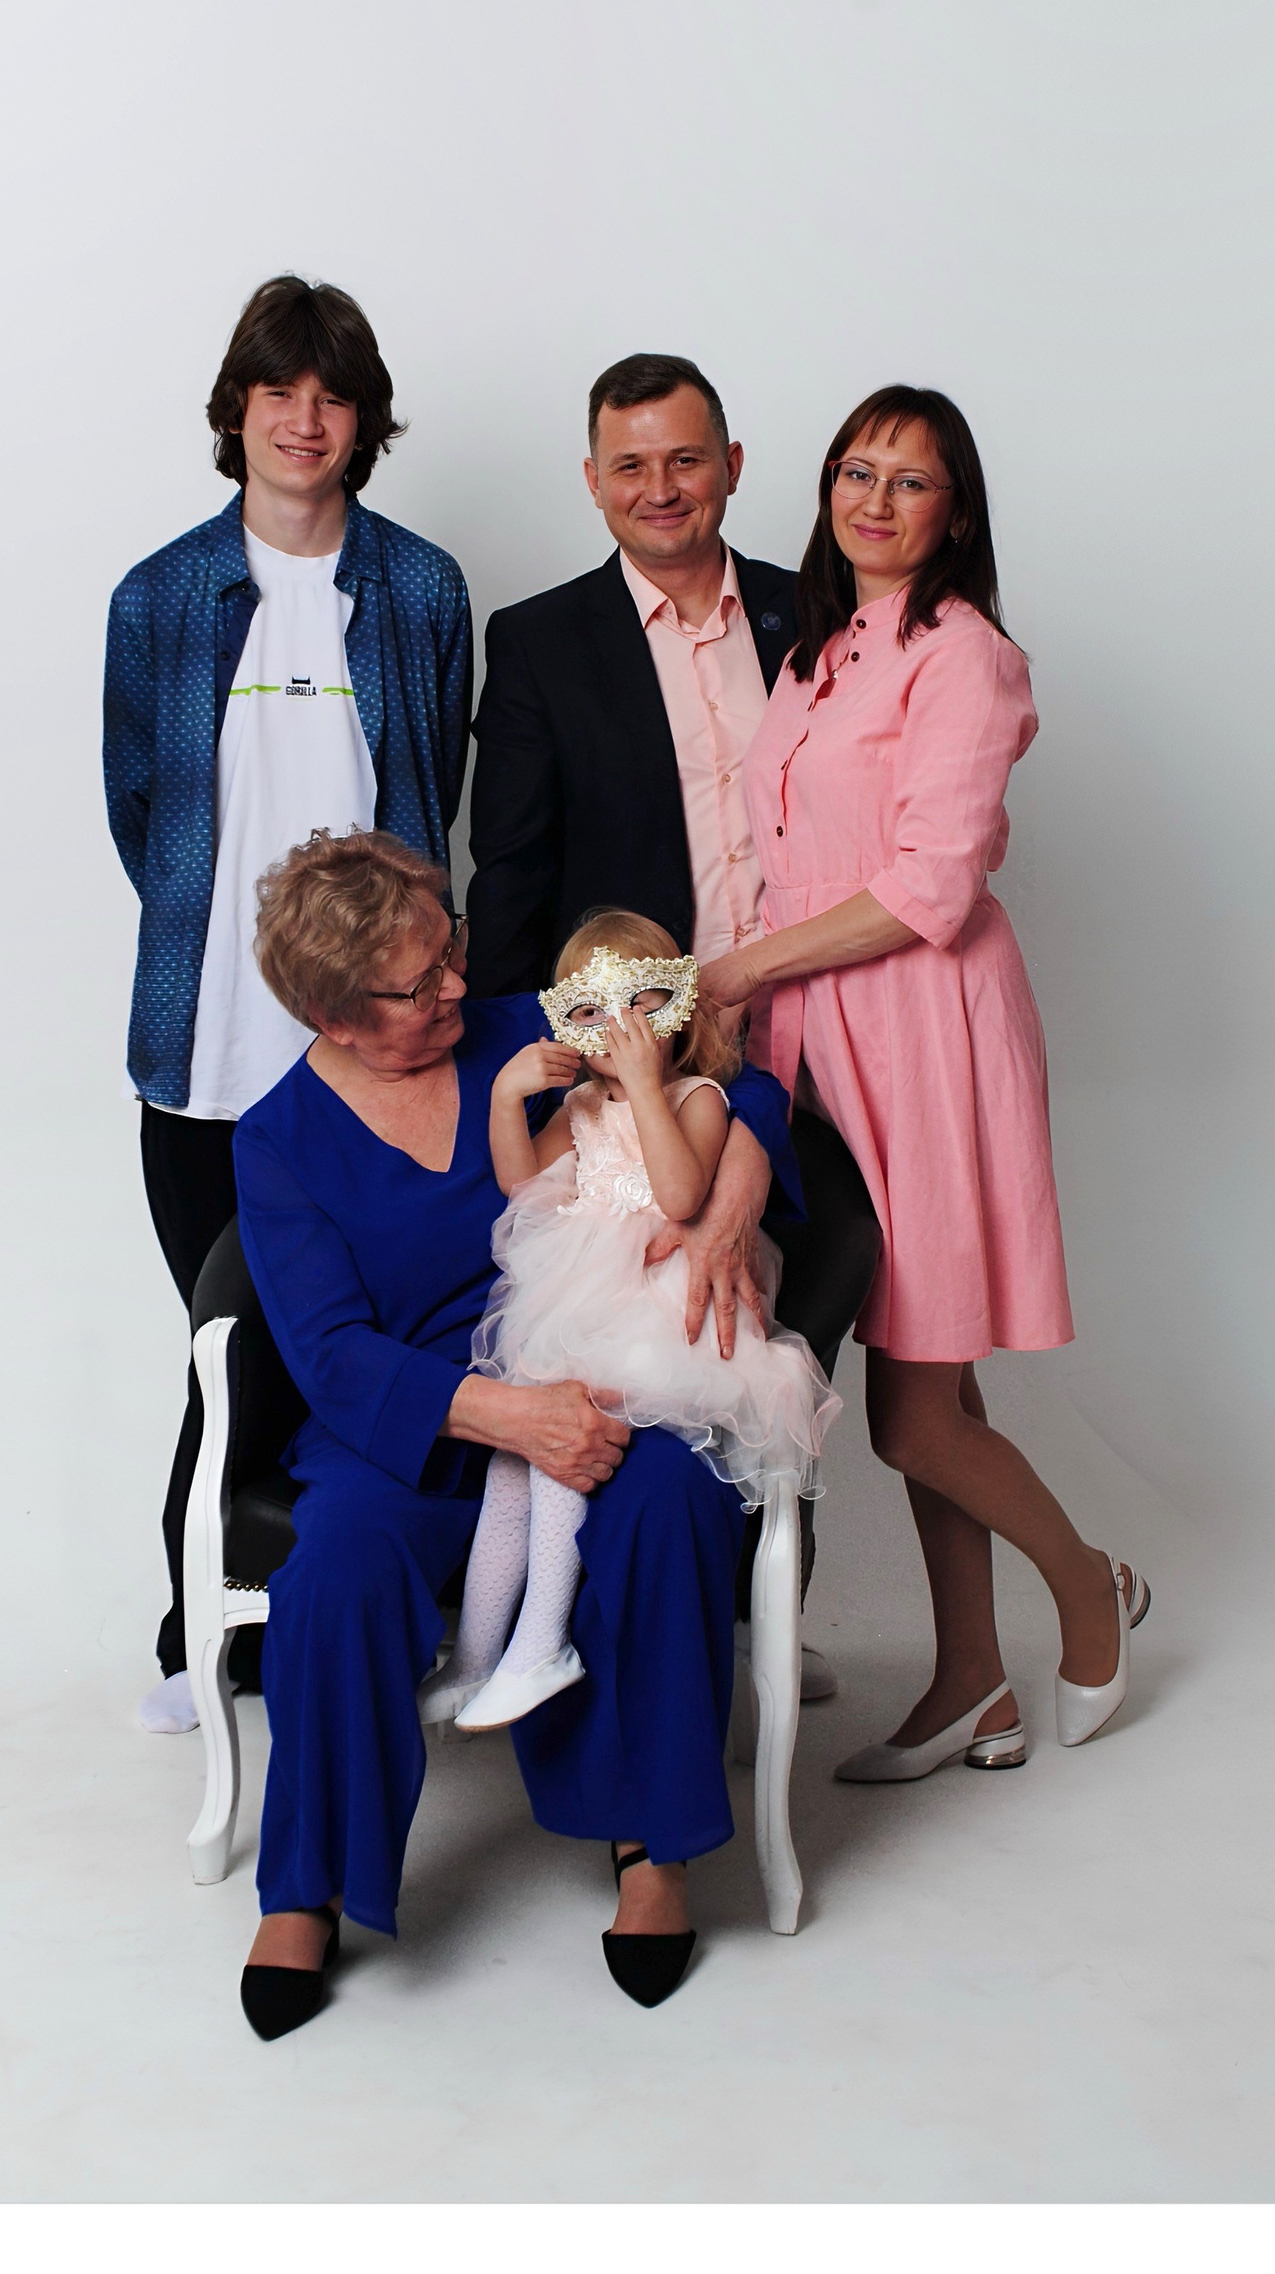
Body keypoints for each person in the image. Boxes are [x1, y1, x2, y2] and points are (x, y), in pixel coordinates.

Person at [231, 831, 809, 2037]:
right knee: (336, 1565)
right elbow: (329, 1350)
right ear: (335, 1016)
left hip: (596, 1366)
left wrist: (740, 1181)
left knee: (670, 1497)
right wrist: (512, 1416)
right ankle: (306, 1883)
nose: (457, 982)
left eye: (450, 952)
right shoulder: (277, 1139)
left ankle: (651, 1843)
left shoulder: (521, 1030)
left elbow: (722, 1072)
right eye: (418, 982)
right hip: (412, 1414)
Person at [702, 388, 1149, 1780]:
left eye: (912, 480)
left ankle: (1089, 1583)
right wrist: (742, 1000)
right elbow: (787, 853)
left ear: (956, 514)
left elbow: (931, 886)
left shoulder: (968, 656)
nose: (876, 499)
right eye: (857, 470)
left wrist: (741, 966)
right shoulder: (815, 650)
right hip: (816, 1036)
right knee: (926, 1377)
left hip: (926, 1033)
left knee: (913, 1406)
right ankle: (971, 1679)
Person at [465, 351, 882, 1686]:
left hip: (829, 1033)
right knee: (673, 1323)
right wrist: (535, 1070)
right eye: (631, 464)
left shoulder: (815, 609)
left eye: (687, 458)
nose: (662, 487)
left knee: (802, 1306)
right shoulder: (540, 642)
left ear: (734, 467)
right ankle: (629, 1622)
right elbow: (510, 878)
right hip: (649, 1063)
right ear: (593, 482)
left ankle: (767, 1609)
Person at [102, 275, 472, 1733]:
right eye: (278, 392)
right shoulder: (159, 597)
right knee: (237, 1349)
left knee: (382, 1334)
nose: (304, 421)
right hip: (208, 1055)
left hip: (383, 1052)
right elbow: (142, 810)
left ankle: (371, 1607)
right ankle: (201, 1633)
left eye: (332, 396)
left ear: (364, 420)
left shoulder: (422, 589)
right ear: (237, 410)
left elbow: (433, 789)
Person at [421, 910, 839, 1736]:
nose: (620, 1027)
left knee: (560, 1449)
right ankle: (474, 1657)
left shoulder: (699, 1098)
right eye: (592, 1010)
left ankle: (541, 1644)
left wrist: (647, 1087)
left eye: (643, 1002)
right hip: (580, 1303)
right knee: (511, 1462)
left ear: (677, 1008)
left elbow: (680, 1196)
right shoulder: (579, 1104)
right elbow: (523, 1191)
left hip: (660, 1312)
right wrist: (507, 1097)